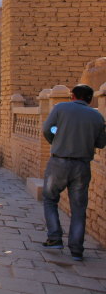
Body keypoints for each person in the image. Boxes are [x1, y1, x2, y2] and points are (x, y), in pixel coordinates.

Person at [41, 84, 106, 261]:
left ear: (72, 96)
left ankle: (54, 237)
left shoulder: (61, 108)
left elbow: (47, 129)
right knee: (78, 208)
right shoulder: (97, 116)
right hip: (82, 166)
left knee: (50, 199)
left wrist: (57, 141)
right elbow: (101, 143)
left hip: (59, 162)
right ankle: (77, 249)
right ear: (90, 99)